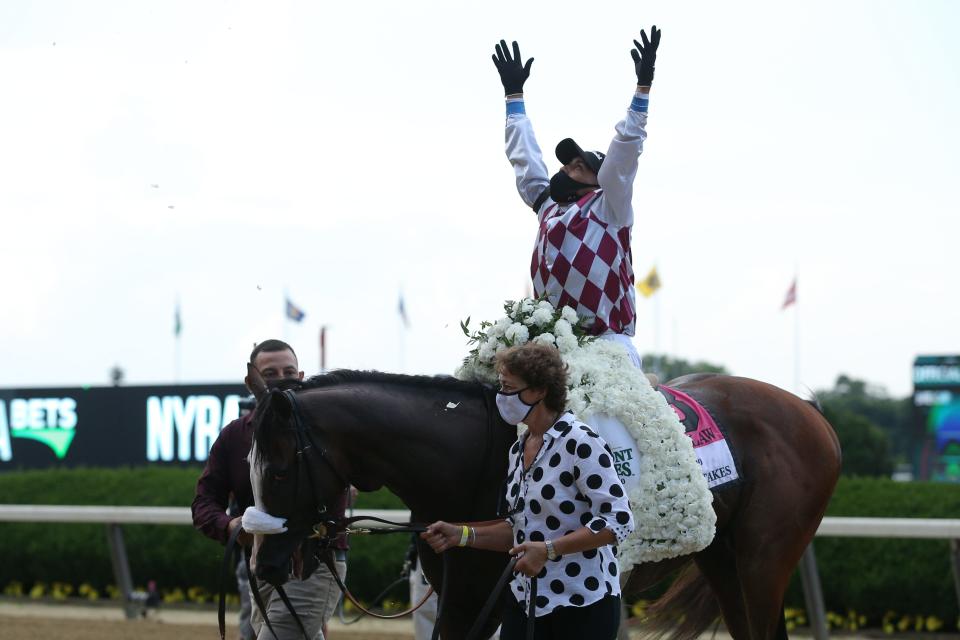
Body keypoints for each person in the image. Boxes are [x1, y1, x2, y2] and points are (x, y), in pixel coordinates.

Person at [422, 343, 635, 639]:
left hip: (583, 605)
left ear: (539, 391)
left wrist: (549, 550)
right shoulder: (518, 449)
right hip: (525, 602)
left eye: (508, 387)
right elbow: (521, 529)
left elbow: (619, 520)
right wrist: (463, 535)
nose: (502, 396)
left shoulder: (581, 442)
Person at [493, 27, 661, 369]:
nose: (569, 167)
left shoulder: (610, 206)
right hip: (554, 347)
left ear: (599, 181)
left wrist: (642, 90)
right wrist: (514, 95)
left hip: (608, 349)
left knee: (607, 424)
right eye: (568, 162)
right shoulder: (547, 206)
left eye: (580, 165)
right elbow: (525, 158)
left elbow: (624, 151)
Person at [192, 339, 348, 640]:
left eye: (289, 371)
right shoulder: (233, 436)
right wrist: (231, 527)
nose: (282, 380)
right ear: (252, 383)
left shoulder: (326, 432)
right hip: (260, 564)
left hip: (314, 564)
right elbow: (204, 503)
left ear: (302, 378)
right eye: (271, 373)